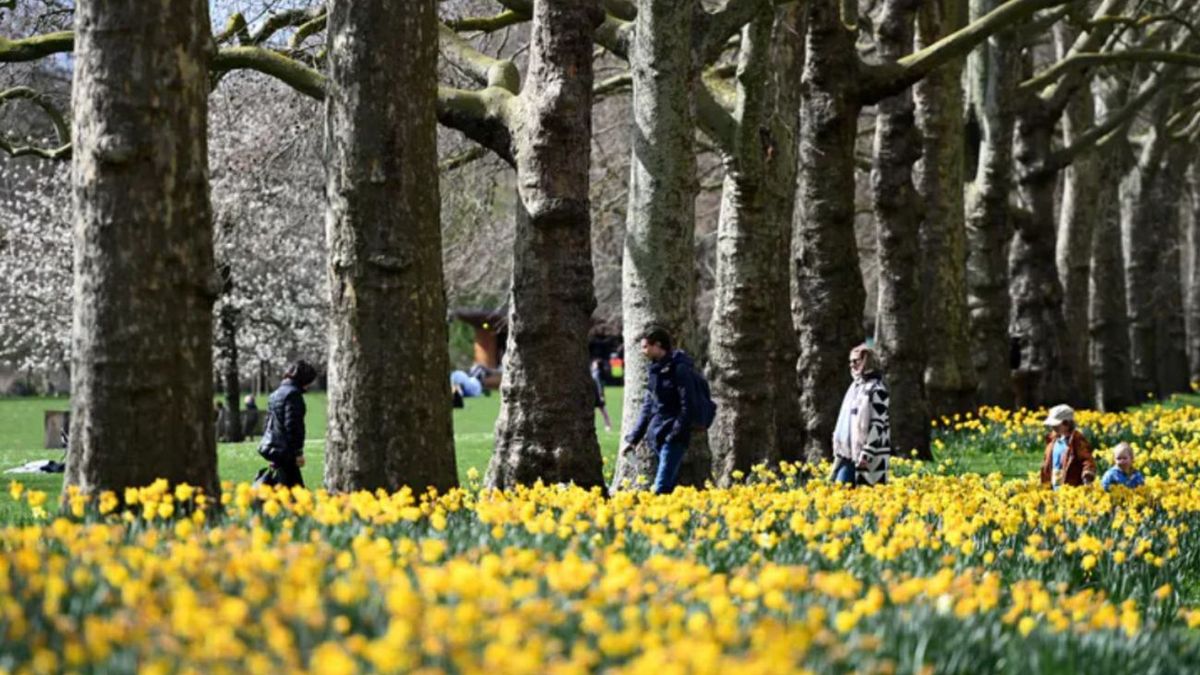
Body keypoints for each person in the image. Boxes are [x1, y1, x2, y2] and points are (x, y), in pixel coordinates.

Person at [621, 326, 702, 495]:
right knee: (667, 484)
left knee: (661, 487)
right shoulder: (655, 371)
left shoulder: (680, 369)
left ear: (657, 345)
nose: (643, 351)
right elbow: (648, 407)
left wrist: (675, 431)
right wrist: (633, 438)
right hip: (658, 434)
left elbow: (688, 404)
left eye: (645, 347)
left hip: (673, 435)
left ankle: (656, 517)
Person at [831, 344, 891, 486]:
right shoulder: (855, 387)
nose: (852, 365)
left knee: (860, 498)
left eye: (856, 361)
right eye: (850, 362)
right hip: (847, 452)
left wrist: (867, 453)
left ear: (867, 361)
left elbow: (878, 424)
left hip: (867, 456)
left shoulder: (878, 390)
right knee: (841, 494)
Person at [258, 360, 317, 488]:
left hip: (273, 448)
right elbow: (293, 427)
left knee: (287, 488)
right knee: (296, 493)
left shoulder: (275, 394)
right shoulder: (293, 395)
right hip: (286, 451)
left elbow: (268, 423)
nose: (309, 386)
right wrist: (298, 453)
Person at [1039, 404, 1097, 489]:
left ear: (1067, 423)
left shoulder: (1077, 440)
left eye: (1056, 424)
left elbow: (1086, 459)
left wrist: (1087, 474)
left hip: (1071, 486)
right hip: (1054, 484)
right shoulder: (1053, 440)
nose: (1053, 427)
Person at [592, 358, 613, 432]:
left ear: (597, 365)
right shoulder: (596, 372)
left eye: (594, 363)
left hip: (596, 395)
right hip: (596, 394)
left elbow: (599, 385)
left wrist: (601, 395)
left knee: (603, 411)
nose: (593, 364)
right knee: (603, 411)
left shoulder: (596, 373)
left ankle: (608, 426)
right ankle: (608, 425)